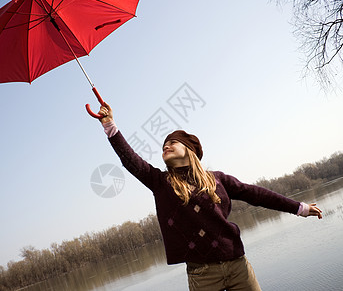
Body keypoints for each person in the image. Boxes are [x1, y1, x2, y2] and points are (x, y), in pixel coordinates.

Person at [96, 102, 323, 291]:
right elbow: (130, 160)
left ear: (189, 150)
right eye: (164, 144)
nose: (166, 145)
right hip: (202, 275)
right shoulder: (161, 183)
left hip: (237, 265)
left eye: (172, 142)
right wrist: (109, 124)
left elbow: (257, 194)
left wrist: (299, 208)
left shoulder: (218, 179)